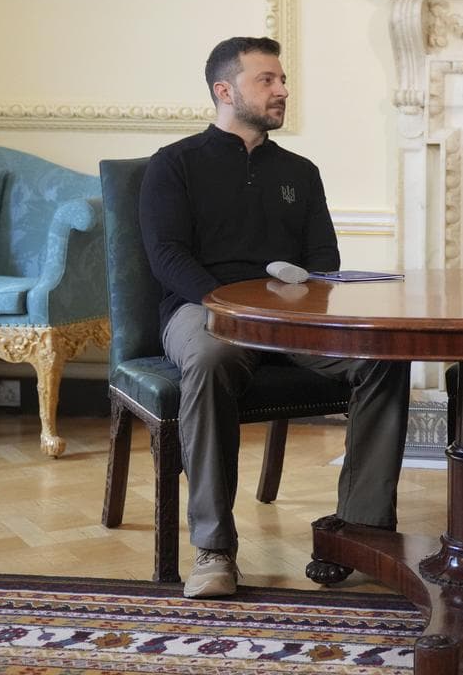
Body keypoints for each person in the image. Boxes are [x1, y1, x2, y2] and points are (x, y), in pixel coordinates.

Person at [140, 36, 412, 598]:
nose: (282, 90)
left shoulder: (300, 171)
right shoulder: (174, 165)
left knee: (383, 357)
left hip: (290, 320)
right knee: (213, 358)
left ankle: (359, 533)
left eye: (282, 79)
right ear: (224, 90)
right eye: (267, 79)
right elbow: (167, 256)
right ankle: (213, 549)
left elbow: (324, 262)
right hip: (201, 311)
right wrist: (231, 307)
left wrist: (293, 307)